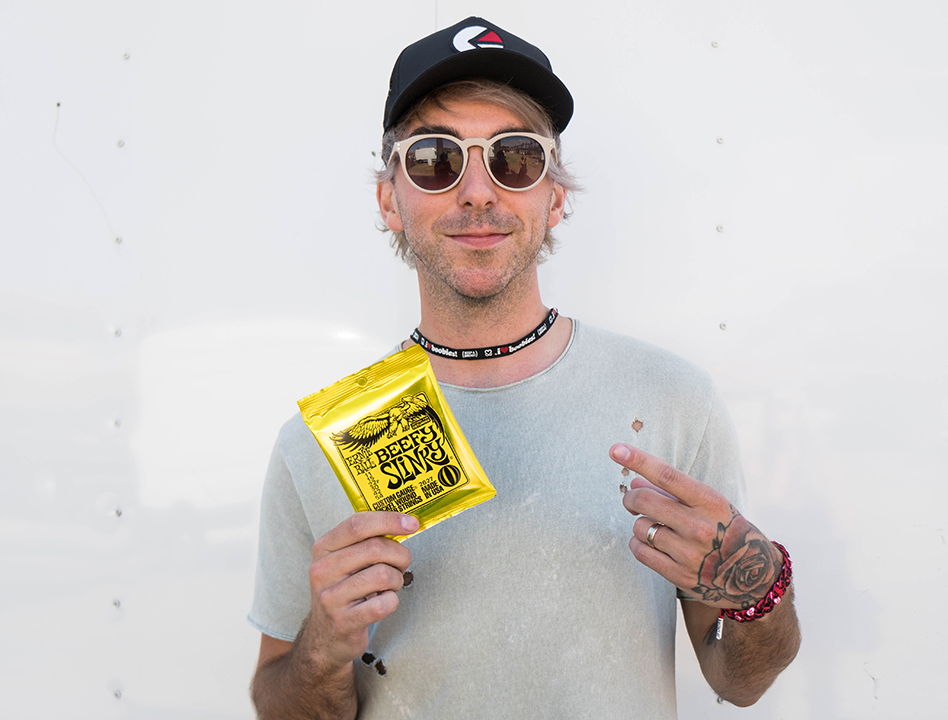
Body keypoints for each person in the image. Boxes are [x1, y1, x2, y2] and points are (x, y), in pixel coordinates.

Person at [248, 17, 800, 719]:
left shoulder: (671, 400)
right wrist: (322, 648)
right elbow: (276, 700)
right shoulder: (319, 441)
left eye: (514, 159)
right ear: (390, 200)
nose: (478, 192)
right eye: (435, 159)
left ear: (555, 196)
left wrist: (762, 590)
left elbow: (739, 683)